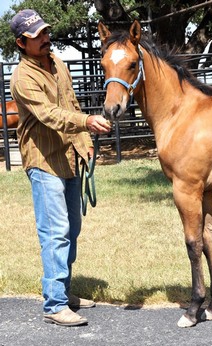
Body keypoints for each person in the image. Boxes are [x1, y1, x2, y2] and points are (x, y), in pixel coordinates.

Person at [9, 9, 111, 326]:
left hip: (68, 156)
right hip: (43, 161)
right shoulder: (22, 79)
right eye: (36, 35)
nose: (44, 38)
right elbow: (50, 114)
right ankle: (54, 305)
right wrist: (86, 122)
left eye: (44, 32)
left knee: (72, 230)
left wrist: (85, 141)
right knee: (55, 233)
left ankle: (63, 293)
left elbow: (71, 103)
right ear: (21, 43)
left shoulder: (57, 63)